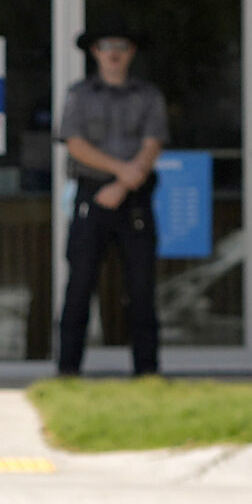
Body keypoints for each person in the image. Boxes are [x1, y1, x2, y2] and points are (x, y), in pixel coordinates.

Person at [54, 23, 168, 376]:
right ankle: (68, 372)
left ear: (131, 52)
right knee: (80, 285)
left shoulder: (148, 96)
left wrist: (122, 184)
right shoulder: (79, 94)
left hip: (134, 199)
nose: (114, 52)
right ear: (95, 53)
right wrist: (121, 170)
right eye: (106, 46)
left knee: (141, 287)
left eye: (121, 45)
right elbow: (74, 143)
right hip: (91, 196)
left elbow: (152, 144)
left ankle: (147, 374)